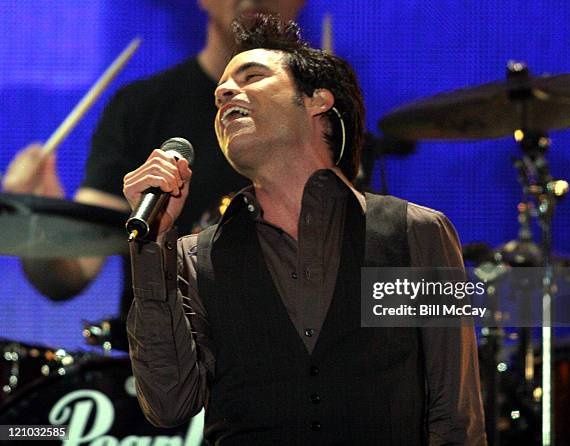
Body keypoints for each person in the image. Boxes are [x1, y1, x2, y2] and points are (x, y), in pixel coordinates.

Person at [123, 14, 486, 445]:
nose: (221, 92)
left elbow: (454, 416)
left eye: (252, 76)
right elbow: (169, 405)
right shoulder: (196, 255)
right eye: (220, 89)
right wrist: (154, 245)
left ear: (317, 101)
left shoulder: (414, 234)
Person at [1, 0, 305, 349]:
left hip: (300, 373)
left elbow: (369, 271)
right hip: (166, 370)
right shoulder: (141, 108)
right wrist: (37, 224)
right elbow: (70, 276)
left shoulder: (326, 117)